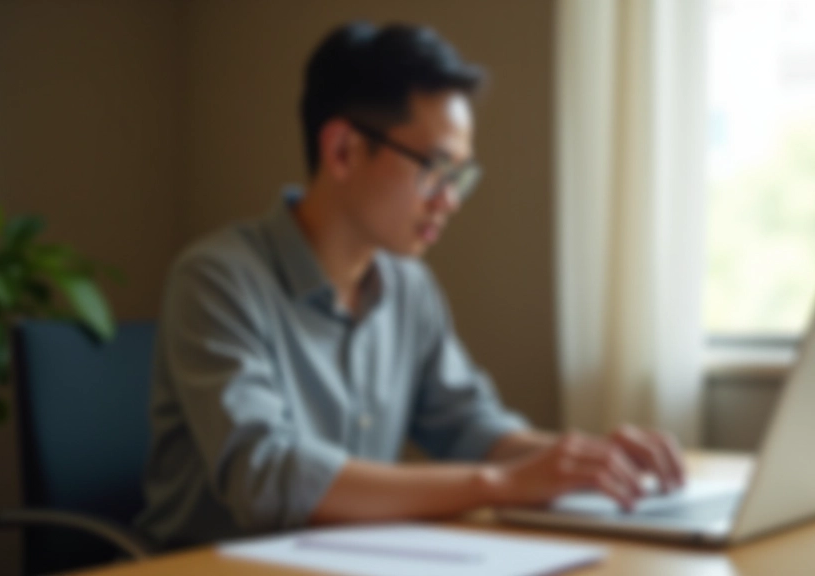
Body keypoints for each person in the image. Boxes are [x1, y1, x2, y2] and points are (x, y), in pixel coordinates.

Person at [136, 21, 685, 549]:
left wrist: (585, 459)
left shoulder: (408, 287)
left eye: (460, 177)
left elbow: (470, 426)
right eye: (436, 168)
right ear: (343, 150)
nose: (449, 201)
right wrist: (500, 486)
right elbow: (267, 476)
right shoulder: (216, 279)